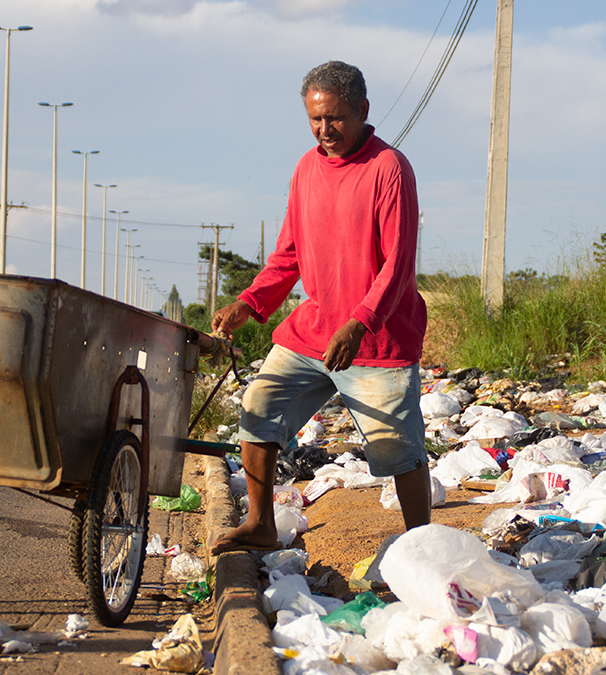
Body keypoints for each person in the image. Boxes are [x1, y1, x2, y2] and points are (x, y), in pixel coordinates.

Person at [210, 60, 431, 555]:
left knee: (399, 449)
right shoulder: (307, 168)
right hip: (311, 333)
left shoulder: (388, 168)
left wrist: (360, 322)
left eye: (335, 119)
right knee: (258, 408)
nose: (324, 130)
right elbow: (289, 251)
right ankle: (261, 525)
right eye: (315, 120)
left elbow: (397, 265)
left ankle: (422, 552)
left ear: (362, 110)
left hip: (376, 341)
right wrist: (249, 302)